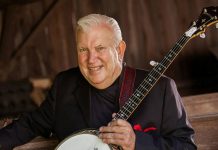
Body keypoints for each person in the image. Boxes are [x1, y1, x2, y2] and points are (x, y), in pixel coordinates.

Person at [0, 14, 196, 150]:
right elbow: (30, 124)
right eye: (83, 50)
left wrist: (137, 143)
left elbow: (186, 146)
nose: (91, 59)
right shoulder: (65, 85)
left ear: (119, 49)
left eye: (100, 48)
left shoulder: (160, 89)